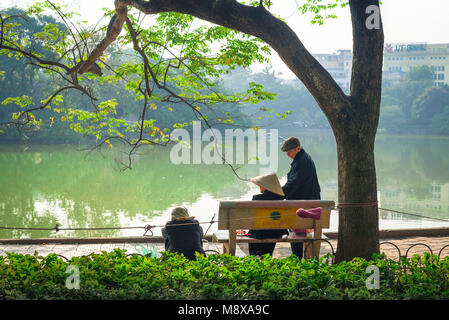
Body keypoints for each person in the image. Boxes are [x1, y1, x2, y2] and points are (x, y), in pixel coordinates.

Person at [280, 136, 321, 259]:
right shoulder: (302, 159)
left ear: (298, 148)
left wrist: (278, 194)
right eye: (286, 152)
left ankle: (297, 258)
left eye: (289, 151)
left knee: (297, 231)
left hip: (304, 204)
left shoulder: (302, 162)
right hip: (307, 202)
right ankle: (297, 257)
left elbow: (293, 184)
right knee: (297, 231)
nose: (287, 154)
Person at [246, 172, 288, 257]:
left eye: (260, 185)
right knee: (271, 230)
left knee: (254, 232)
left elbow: (252, 218)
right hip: (276, 232)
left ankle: (254, 258)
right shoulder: (281, 200)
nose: (259, 186)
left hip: (259, 232)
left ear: (265, 187)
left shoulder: (257, 199)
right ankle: (267, 259)